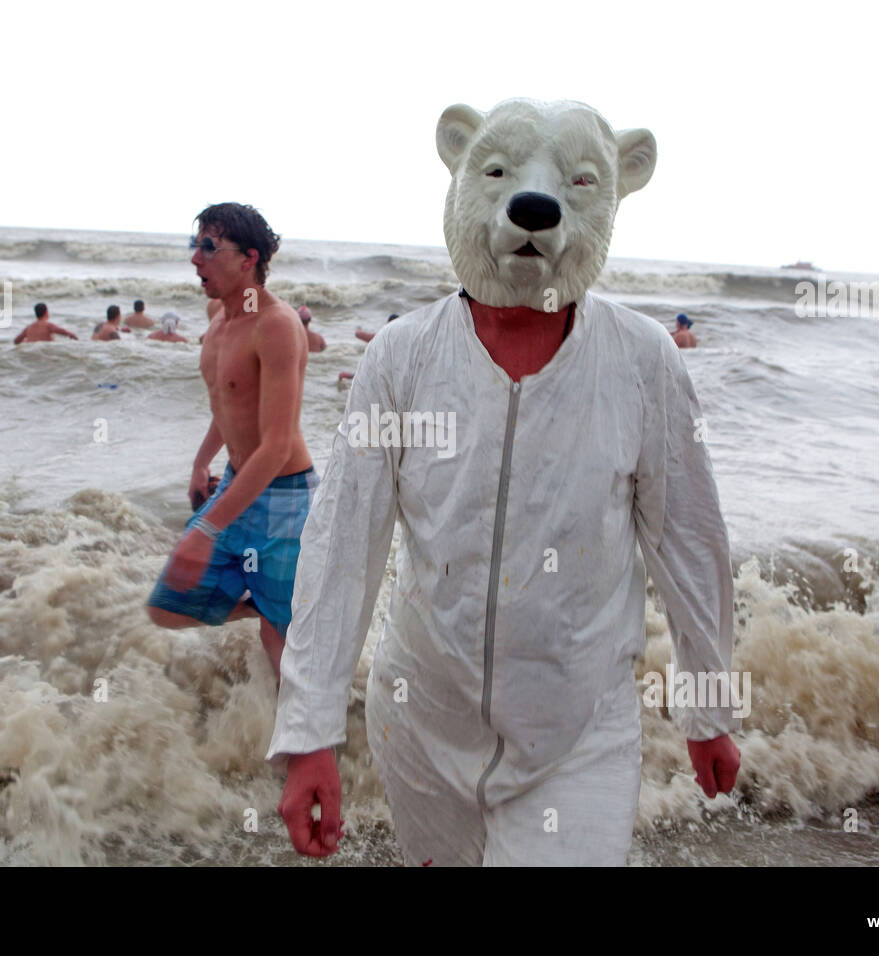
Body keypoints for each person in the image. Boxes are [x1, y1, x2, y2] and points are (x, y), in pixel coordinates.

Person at [270, 98, 739, 865]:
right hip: (421, 724)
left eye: (581, 181)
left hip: (578, 734)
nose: (534, 199)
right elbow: (342, 543)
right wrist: (310, 734)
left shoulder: (643, 361)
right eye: (496, 171)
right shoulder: (402, 358)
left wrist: (711, 707)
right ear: (461, 177)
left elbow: (688, 536)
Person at [146, 202, 317, 686]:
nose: (195, 258)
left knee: (280, 647)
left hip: (285, 498)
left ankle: (312, 745)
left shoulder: (277, 325)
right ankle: (259, 604)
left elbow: (278, 444)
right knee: (168, 606)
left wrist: (206, 530)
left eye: (208, 247)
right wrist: (202, 463)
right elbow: (230, 398)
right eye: (193, 245)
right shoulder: (217, 315)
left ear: (249, 258)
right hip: (238, 482)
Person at [341, 313, 400, 381]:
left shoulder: (382, 336)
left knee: (353, 376)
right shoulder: (403, 340)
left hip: (378, 370)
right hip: (388, 372)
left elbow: (358, 334)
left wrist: (358, 328)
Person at [14, 303, 78, 343]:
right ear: (46, 312)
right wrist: (73, 335)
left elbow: (16, 341)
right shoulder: (48, 325)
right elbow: (61, 331)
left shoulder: (29, 328)